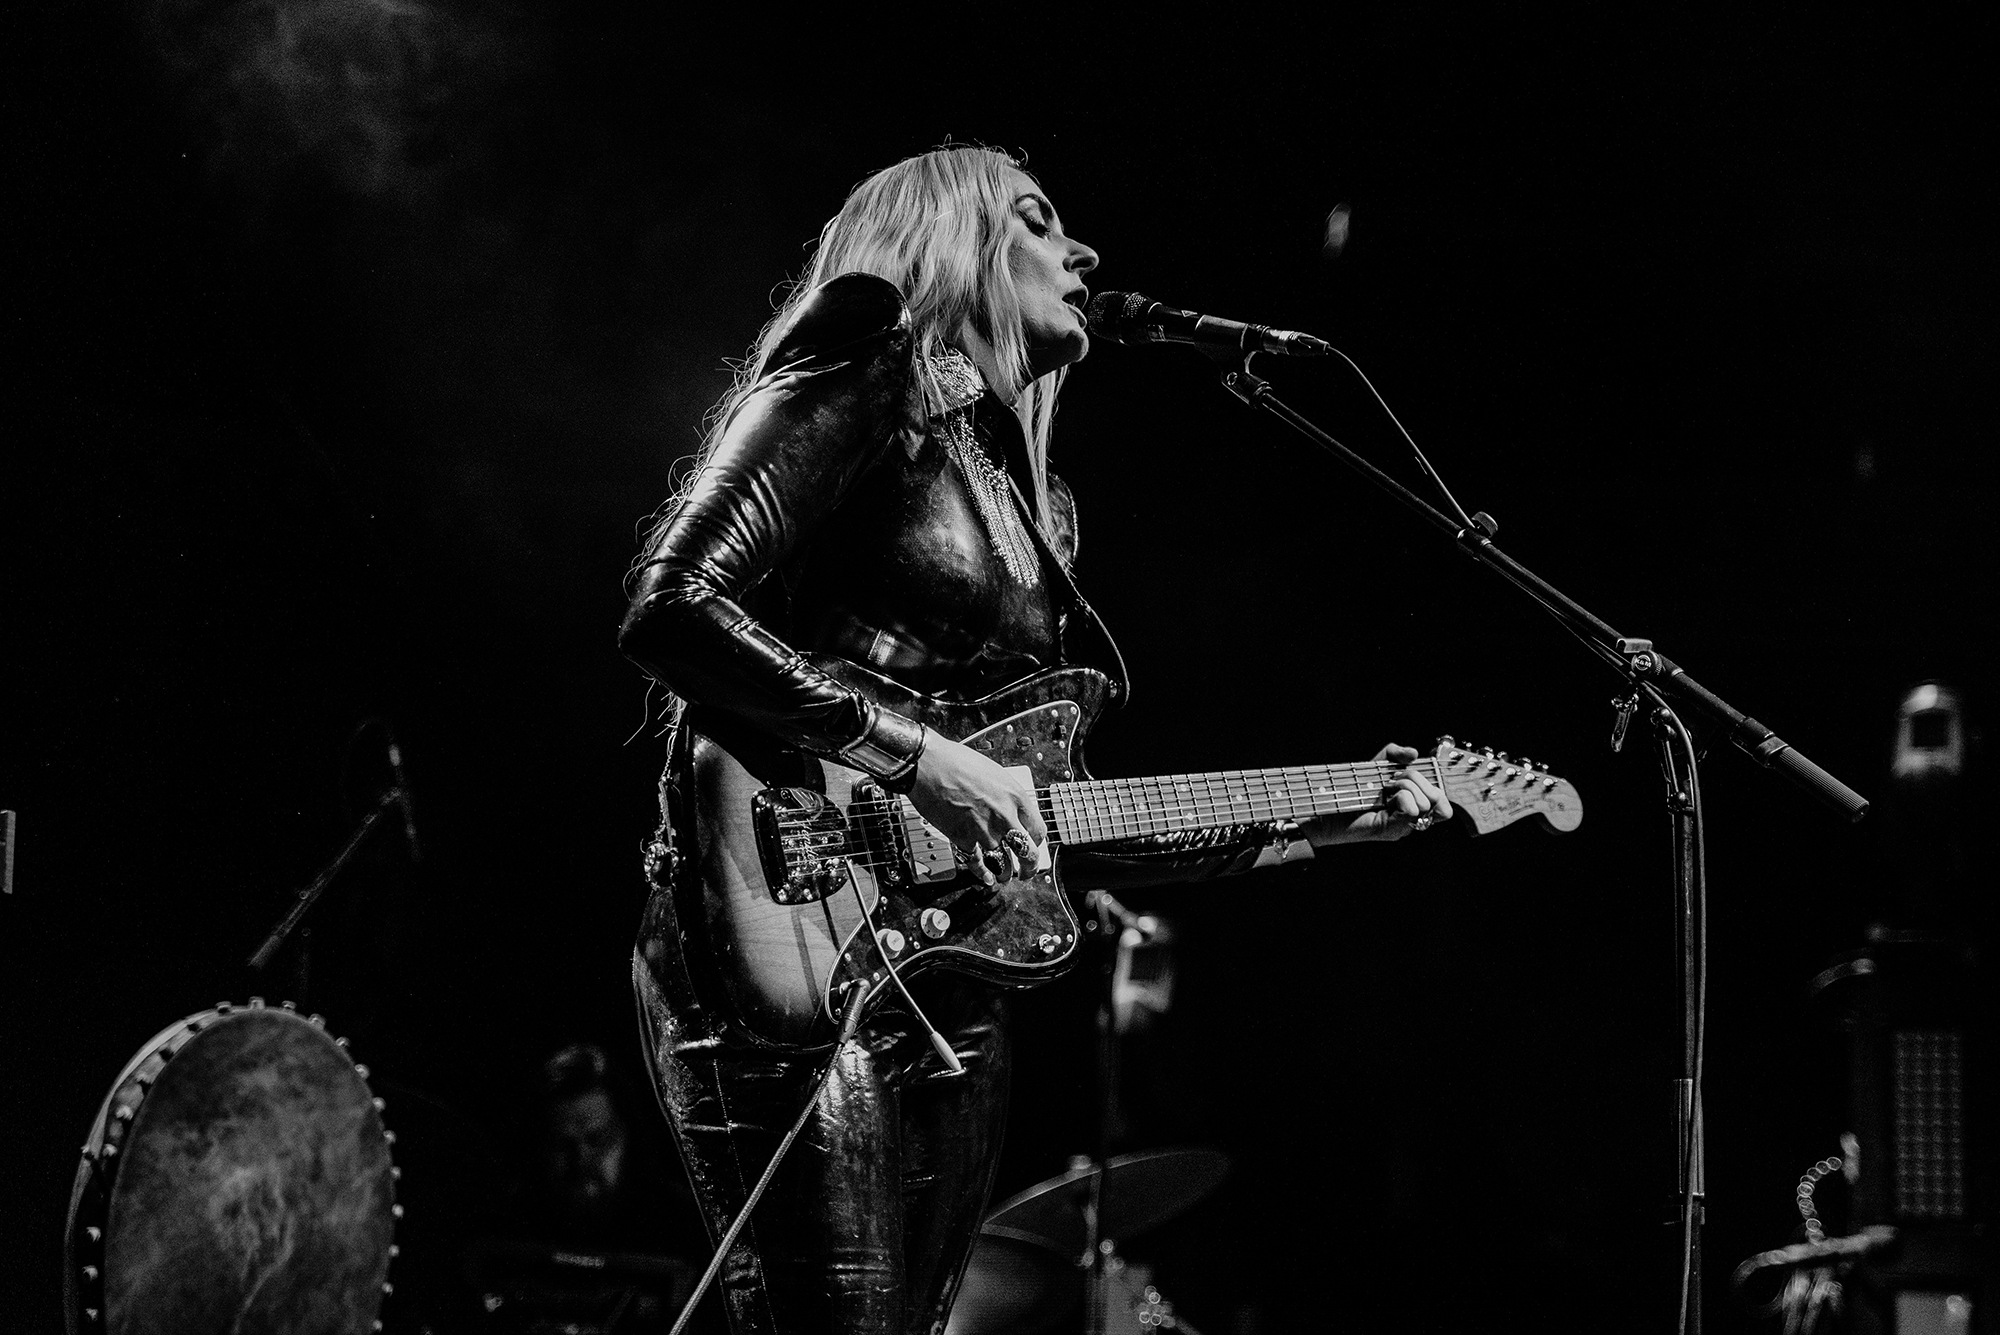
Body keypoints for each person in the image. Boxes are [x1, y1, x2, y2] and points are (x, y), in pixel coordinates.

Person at [618, 144, 1450, 1335]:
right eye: (1035, 220)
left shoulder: (1025, 499)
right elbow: (671, 606)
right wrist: (914, 757)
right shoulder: (863, 367)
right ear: (950, 242)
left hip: (946, 979)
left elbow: (1049, 824)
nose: (1082, 251)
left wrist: (1325, 823)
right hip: (784, 927)